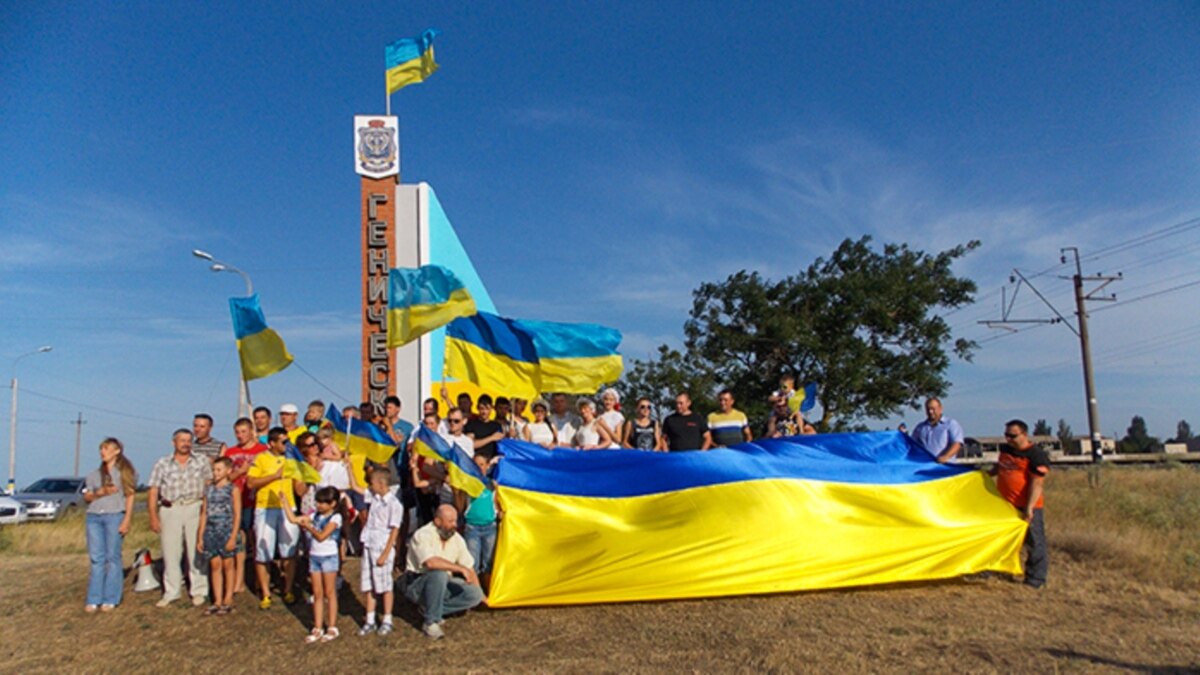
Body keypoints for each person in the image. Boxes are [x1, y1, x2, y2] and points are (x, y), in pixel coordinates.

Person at [148, 429, 213, 607]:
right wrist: (153, 515)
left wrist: (207, 510)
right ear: (173, 442)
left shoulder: (201, 461)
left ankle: (199, 590)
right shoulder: (162, 463)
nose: (185, 443)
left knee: (196, 550)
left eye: (188, 440)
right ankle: (172, 591)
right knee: (171, 551)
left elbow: (209, 484)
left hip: (194, 506)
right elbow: (153, 489)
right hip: (171, 508)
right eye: (181, 440)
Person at [246, 427, 308, 610]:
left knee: (289, 551)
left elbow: (300, 490)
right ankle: (265, 594)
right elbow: (251, 483)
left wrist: (303, 480)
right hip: (265, 508)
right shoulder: (261, 458)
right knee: (263, 551)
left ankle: (287, 590)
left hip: (288, 507)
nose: (286, 445)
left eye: (288, 441)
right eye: (283, 442)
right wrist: (274, 476)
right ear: (272, 443)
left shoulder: (292, 459)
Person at [402, 504, 485, 640]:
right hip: (418, 582)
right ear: (437, 521)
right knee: (438, 574)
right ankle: (431, 622)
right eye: (450, 521)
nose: (455, 525)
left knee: (474, 594)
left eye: (456, 521)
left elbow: (469, 567)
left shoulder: (457, 539)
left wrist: (481, 597)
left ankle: (431, 608)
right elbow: (431, 563)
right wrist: (459, 569)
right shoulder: (422, 535)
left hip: (445, 582)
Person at [991, 419, 1049, 589]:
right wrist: (986, 474)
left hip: (1028, 506)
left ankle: (1036, 578)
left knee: (1034, 541)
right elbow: (1000, 467)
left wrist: (1029, 508)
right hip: (1005, 504)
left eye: (1012, 435)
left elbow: (1037, 483)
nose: (1008, 439)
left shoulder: (1036, 455)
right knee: (1001, 538)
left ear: (1024, 434)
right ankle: (994, 567)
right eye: (1006, 435)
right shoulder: (1006, 449)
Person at [82, 437, 137, 612]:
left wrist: (127, 519)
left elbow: (130, 496)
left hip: (115, 516)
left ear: (116, 451)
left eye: (106, 449)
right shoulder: (93, 474)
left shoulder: (125, 473)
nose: (103, 452)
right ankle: (94, 598)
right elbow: (87, 496)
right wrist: (101, 492)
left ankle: (111, 597)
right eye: (101, 449)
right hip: (94, 516)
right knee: (97, 558)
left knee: (112, 557)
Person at [282, 486, 343, 642]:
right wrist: (285, 502)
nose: (319, 505)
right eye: (318, 502)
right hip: (315, 557)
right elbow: (293, 519)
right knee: (317, 593)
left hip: (329, 557)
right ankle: (317, 627)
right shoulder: (314, 515)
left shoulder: (336, 518)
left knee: (330, 592)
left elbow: (322, 536)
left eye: (323, 503)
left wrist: (308, 527)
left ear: (333, 504)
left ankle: (332, 626)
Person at [358, 468, 403, 636]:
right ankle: (370, 620)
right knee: (369, 583)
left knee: (384, 584)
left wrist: (385, 553)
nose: (371, 486)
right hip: (369, 542)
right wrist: (348, 468)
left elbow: (394, 530)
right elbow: (356, 487)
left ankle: (387, 619)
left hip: (382, 545)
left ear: (381, 484)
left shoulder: (394, 504)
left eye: (373, 483)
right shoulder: (374, 499)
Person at [222, 417, 265, 594]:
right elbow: (224, 478)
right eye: (237, 432)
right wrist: (239, 471)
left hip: (256, 500)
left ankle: (258, 579)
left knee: (256, 540)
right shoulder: (230, 453)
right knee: (239, 540)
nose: (240, 435)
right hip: (236, 501)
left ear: (251, 431)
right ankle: (238, 580)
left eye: (244, 432)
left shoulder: (263, 451)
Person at [196, 457, 242, 615]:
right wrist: (200, 536)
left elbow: (237, 514)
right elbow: (204, 513)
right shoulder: (208, 489)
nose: (215, 473)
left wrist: (233, 536)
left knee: (228, 565)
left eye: (219, 470)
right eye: (214, 470)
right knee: (215, 565)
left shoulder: (232, 489)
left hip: (227, 530)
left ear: (228, 471)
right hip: (211, 531)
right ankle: (217, 599)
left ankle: (228, 597)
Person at [463, 454, 500, 588]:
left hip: (490, 527)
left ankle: (487, 591)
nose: (479, 467)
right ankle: (474, 593)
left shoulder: (492, 485)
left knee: (488, 562)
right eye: (476, 464)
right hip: (472, 527)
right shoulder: (467, 484)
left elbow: (496, 504)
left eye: (482, 464)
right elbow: (461, 505)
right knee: (473, 561)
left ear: (487, 466)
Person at [910, 397, 965, 463]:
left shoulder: (951, 424)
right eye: (928, 409)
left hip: (945, 467)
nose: (930, 412)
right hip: (926, 466)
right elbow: (912, 445)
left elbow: (957, 443)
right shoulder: (920, 428)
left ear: (940, 408)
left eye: (933, 409)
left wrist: (946, 457)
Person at [465, 394, 504, 460]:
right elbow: (470, 445)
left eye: (487, 409)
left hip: (492, 462)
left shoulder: (497, 426)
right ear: (477, 407)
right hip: (476, 462)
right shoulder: (471, 424)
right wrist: (491, 438)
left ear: (491, 408)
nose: (484, 412)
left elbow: (501, 445)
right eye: (482, 408)